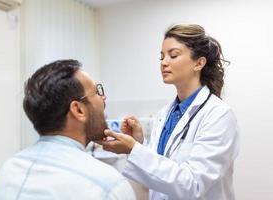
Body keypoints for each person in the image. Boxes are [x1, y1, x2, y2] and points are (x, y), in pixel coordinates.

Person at [97, 24, 240, 200]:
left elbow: (193, 185)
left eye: (173, 55)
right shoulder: (165, 114)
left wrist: (134, 150)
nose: (164, 62)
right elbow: (161, 171)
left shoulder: (219, 115)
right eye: (162, 56)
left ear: (199, 63)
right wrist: (139, 144)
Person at [0, 59, 135, 200]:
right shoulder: (109, 187)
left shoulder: (8, 170)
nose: (104, 98)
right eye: (97, 92)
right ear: (78, 110)